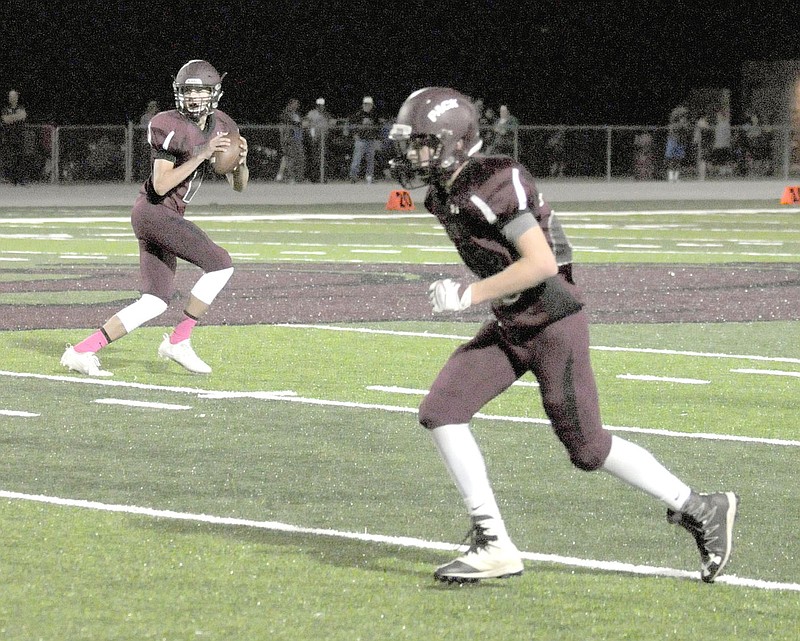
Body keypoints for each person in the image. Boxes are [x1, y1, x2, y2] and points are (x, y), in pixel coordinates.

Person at [388, 87, 738, 585]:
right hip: (513, 323)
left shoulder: (493, 180)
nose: (410, 154)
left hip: (553, 325)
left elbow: (542, 262)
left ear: (452, 140)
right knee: (442, 410)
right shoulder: (444, 192)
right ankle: (493, 542)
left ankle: (700, 507)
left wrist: (469, 295)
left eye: (421, 142)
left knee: (588, 449)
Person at [60, 59, 248, 377]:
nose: (193, 98)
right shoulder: (167, 123)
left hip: (167, 215)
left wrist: (240, 162)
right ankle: (179, 340)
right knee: (221, 263)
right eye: (188, 91)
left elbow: (238, 185)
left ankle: (82, 351)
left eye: (200, 91)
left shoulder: (222, 125)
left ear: (214, 93)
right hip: (153, 211)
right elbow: (161, 184)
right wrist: (202, 154)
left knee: (155, 301)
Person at [347, 96, 382, 183]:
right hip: (361, 140)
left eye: (369, 104)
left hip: (371, 140)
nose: (367, 106)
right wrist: (354, 135)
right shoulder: (358, 115)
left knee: (370, 161)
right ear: (363, 105)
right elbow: (351, 126)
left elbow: (378, 128)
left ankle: (369, 177)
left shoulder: (374, 115)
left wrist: (377, 138)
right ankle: (353, 177)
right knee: (356, 159)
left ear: (371, 105)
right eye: (366, 104)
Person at [1, 89, 29, 185]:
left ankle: (21, 179)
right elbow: (5, 119)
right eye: (10, 96)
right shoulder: (5, 108)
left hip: (20, 137)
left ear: (17, 98)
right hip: (8, 137)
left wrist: (12, 117)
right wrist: (16, 116)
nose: (11, 98)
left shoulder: (21, 107)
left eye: (13, 96)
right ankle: (11, 179)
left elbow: (23, 116)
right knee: (9, 158)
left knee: (20, 158)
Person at [276, 98, 305, 183]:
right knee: (289, 158)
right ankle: (289, 177)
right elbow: (289, 123)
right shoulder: (286, 113)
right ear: (290, 104)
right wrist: (301, 124)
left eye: (297, 104)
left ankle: (286, 176)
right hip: (289, 138)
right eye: (295, 104)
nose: (297, 106)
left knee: (297, 158)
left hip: (297, 138)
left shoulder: (296, 114)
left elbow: (298, 123)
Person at [305, 97, 333, 182]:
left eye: (322, 105)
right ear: (317, 105)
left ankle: (323, 177)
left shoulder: (326, 114)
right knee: (315, 158)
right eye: (319, 105)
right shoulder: (312, 113)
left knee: (323, 158)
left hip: (324, 139)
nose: (321, 107)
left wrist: (332, 122)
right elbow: (308, 125)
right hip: (315, 138)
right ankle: (314, 177)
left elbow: (330, 124)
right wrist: (312, 136)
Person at [664, 105, 689, 182]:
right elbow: (672, 131)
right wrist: (681, 125)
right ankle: (671, 177)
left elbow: (686, 131)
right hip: (673, 141)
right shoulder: (673, 124)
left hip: (680, 142)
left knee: (678, 160)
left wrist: (683, 126)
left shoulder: (684, 123)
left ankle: (676, 177)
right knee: (672, 160)